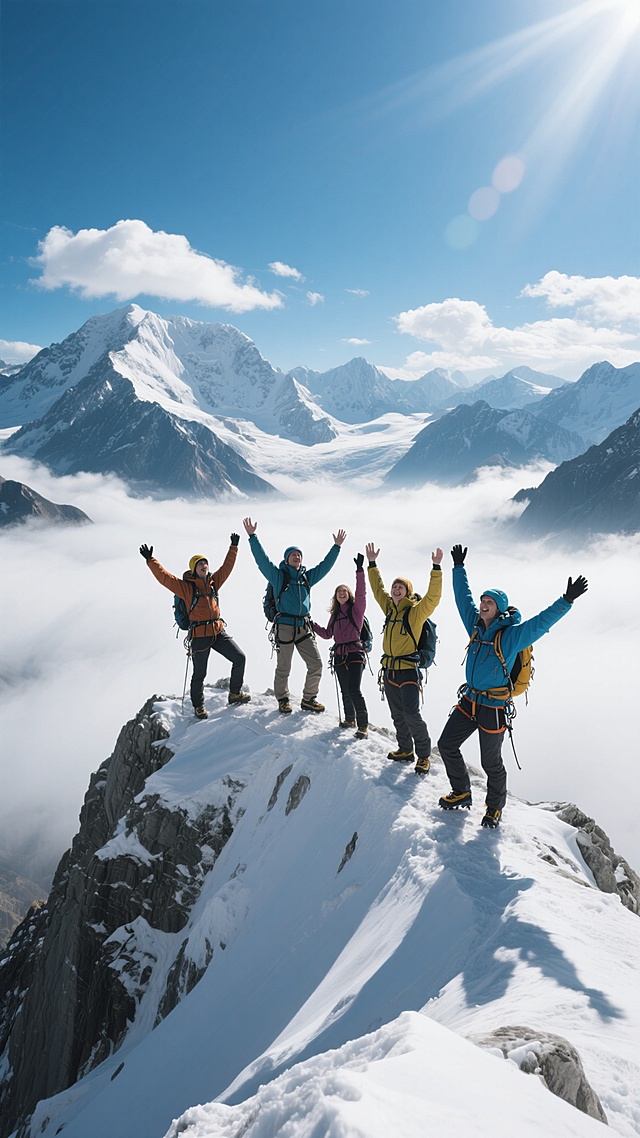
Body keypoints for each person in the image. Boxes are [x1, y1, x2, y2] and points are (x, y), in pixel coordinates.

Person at [438, 543, 588, 828]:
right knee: (446, 744)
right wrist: (458, 569)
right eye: (483, 601)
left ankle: (494, 808)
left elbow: (540, 624)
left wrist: (566, 600)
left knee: (490, 763)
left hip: (493, 706)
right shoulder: (475, 625)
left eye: (489, 603)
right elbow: (462, 598)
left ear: (499, 610)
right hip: (470, 700)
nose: (483, 604)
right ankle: (461, 792)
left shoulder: (510, 637)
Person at [139, 536, 250, 720]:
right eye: (200, 564)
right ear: (194, 568)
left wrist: (234, 547)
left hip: (218, 632)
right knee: (200, 673)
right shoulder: (187, 588)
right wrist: (151, 560)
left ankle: (235, 693)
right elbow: (165, 578)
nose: (204, 566)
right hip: (199, 636)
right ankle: (198, 706)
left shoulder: (214, 583)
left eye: (205, 563)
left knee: (239, 658)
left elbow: (227, 567)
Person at [243, 517, 346, 713]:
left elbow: (325, 566)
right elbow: (262, 561)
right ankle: (283, 699)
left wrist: (336, 547)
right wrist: (252, 537)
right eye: (293, 555)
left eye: (299, 555)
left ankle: (308, 699)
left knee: (316, 664)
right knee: (284, 667)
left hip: (304, 626)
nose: (297, 557)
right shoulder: (279, 576)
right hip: (285, 626)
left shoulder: (307, 578)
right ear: (286, 559)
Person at [366, 541, 443, 774]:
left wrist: (436, 569)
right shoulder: (389, 610)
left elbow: (432, 598)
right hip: (389, 670)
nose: (396, 589)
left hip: (409, 669)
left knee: (411, 713)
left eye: (401, 587)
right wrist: (372, 564)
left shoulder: (416, 612)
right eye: (394, 587)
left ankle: (423, 755)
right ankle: (405, 749)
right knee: (397, 713)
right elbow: (377, 589)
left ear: (407, 591)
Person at [313, 553, 369, 739]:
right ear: (335, 597)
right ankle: (349, 719)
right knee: (345, 689)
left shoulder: (356, 610)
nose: (342, 593)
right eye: (339, 592)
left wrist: (359, 571)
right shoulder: (335, 615)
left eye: (344, 591)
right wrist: (311, 625)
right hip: (339, 655)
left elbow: (361, 594)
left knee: (354, 688)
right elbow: (328, 634)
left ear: (349, 594)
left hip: (354, 654)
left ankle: (363, 725)